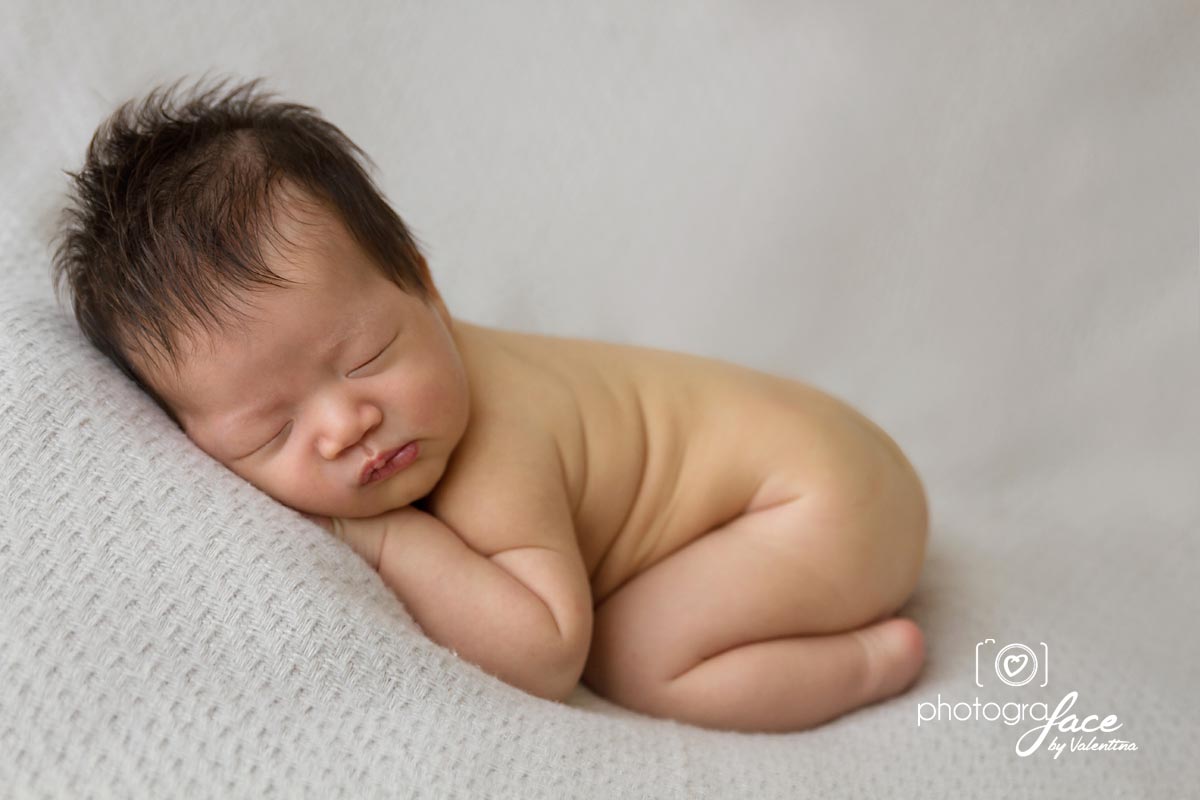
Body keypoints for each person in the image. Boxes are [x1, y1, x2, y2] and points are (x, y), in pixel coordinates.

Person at [51, 75, 929, 733]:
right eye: (271, 430)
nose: (346, 424)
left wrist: (383, 538)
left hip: (824, 503)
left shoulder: (496, 449)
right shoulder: (412, 380)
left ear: (426, 288)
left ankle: (866, 662)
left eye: (368, 358)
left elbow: (548, 655)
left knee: (634, 655)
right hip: (816, 463)